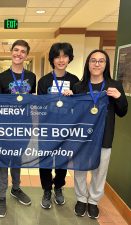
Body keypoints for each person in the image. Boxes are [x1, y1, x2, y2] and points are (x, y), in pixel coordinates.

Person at [72, 49, 128, 219]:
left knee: (100, 171)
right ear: (88, 64)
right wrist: (69, 99)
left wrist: (119, 97)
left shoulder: (115, 85)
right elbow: (73, 114)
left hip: (104, 136)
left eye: (101, 61)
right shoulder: (78, 87)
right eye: (93, 60)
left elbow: (122, 111)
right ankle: (81, 199)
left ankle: (94, 201)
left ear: (106, 65)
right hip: (82, 137)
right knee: (80, 170)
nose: (97, 64)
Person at [0, 40, 36, 218]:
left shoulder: (31, 77)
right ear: (11, 52)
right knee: (4, 161)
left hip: (24, 125)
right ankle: (1, 195)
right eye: (16, 50)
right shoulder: (1, 78)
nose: (19, 54)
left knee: (17, 159)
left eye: (23, 51)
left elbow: (33, 99)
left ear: (26, 55)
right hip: (5, 126)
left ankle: (16, 188)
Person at [37, 42, 79, 209]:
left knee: (62, 160)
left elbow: (78, 107)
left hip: (66, 129)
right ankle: (47, 190)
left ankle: (58, 187)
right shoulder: (44, 81)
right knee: (45, 161)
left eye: (65, 56)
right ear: (52, 59)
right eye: (57, 56)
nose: (61, 60)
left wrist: (73, 96)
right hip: (46, 128)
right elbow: (39, 105)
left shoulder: (75, 80)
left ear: (69, 59)